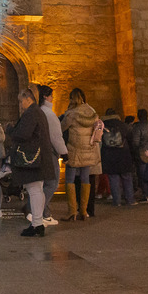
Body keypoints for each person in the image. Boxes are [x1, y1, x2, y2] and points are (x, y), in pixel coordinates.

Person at [9, 87, 53, 237]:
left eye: (21, 101)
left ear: (28, 98)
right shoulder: (37, 112)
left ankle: (37, 224)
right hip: (39, 158)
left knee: (34, 190)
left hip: (32, 159)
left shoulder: (31, 113)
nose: (20, 105)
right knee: (37, 190)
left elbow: (23, 134)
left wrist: (10, 131)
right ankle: (38, 223)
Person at [60, 87, 100, 221]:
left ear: (73, 98)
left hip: (74, 149)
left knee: (70, 179)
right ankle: (83, 211)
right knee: (85, 179)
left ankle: (72, 211)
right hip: (88, 150)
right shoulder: (92, 112)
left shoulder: (71, 114)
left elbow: (61, 128)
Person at [36, 85, 66, 226]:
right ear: (46, 97)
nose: (53, 98)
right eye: (51, 96)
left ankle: (45, 214)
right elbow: (56, 136)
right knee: (52, 183)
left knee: (45, 184)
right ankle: (36, 210)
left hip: (42, 151)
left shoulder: (40, 111)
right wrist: (64, 152)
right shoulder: (48, 114)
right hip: (50, 152)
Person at [100, 107, 135, 206]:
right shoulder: (123, 125)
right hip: (124, 154)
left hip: (109, 155)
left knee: (113, 178)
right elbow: (130, 139)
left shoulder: (102, 126)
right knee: (127, 177)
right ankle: (130, 199)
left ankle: (117, 201)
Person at [129, 108, 148, 197]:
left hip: (141, 153)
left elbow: (135, 143)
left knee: (143, 175)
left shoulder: (138, 127)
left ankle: (146, 194)